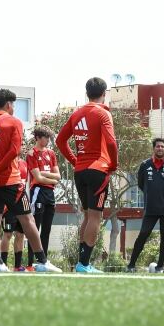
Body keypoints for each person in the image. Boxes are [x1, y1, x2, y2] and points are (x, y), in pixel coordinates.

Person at [0, 89, 61, 273]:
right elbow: (14, 151)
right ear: (8, 105)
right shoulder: (14, 122)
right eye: (14, 104)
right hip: (11, 181)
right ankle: (42, 261)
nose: (14, 108)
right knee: (28, 219)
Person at [56, 78, 118, 274]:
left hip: (80, 172)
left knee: (87, 216)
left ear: (86, 93)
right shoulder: (103, 113)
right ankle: (84, 264)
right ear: (104, 93)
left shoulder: (77, 114)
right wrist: (113, 164)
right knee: (95, 217)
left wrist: (75, 160)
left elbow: (59, 141)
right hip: (98, 170)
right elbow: (111, 143)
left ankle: (81, 263)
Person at [127, 138, 164, 272]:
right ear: (153, 148)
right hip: (150, 208)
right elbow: (141, 184)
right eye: (157, 146)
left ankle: (160, 267)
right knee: (143, 234)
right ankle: (131, 265)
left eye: (162, 146)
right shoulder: (145, 165)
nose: (160, 148)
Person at [27, 127, 61, 268]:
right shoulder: (31, 153)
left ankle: (43, 262)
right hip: (38, 192)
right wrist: (49, 177)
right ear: (38, 138)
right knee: (35, 228)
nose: (48, 140)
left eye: (49, 137)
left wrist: (44, 175)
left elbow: (58, 176)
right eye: (45, 137)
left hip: (50, 194)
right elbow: (37, 178)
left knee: (47, 229)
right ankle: (30, 263)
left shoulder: (51, 153)